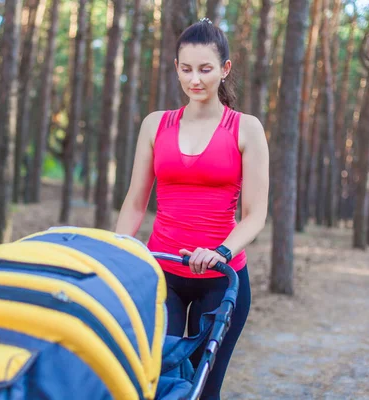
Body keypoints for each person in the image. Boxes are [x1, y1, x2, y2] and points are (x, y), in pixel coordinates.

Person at [115, 17, 269, 399]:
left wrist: (219, 253)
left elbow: (255, 215)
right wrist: (116, 252)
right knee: (151, 384)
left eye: (205, 69)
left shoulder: (245, 128)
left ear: (224, 69)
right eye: (186, 69)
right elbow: (136, 202)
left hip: (222, 280)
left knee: (202, 389)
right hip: (161, 274)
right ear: (176, 69)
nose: (195, 80)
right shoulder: (156, 125)